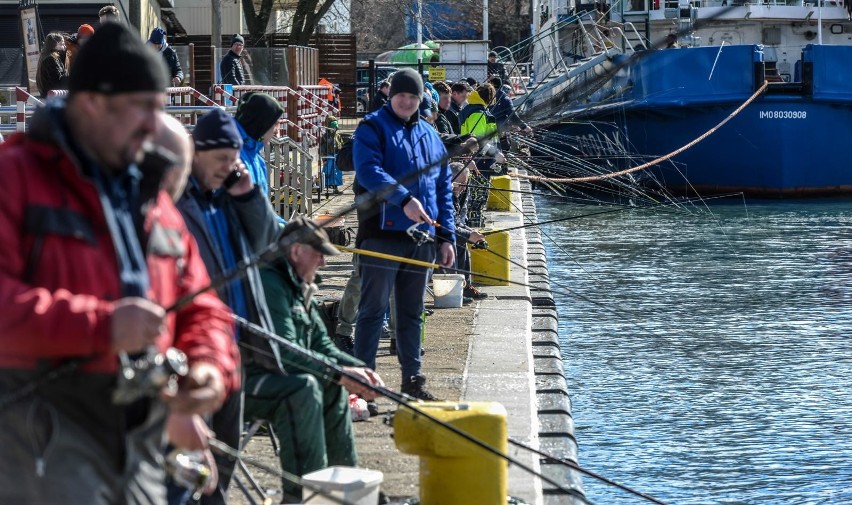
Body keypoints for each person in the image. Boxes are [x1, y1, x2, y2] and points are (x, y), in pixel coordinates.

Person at [0, 22, 240, 505]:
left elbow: (203, 307)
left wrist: (208, 366)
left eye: (161, 109)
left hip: (141, 443)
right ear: (92, 103)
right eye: (143, 109)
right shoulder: (15, 178)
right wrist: (103, 326)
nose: (155, 127)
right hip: (38, 440)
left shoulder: (154, 198)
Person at [177, 107, 280, 504]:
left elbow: (270, 244)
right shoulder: (178, 199)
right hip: (194, 350)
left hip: (234, 342)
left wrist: (249, 195)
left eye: (234, 158)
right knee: (192, 464)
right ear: (197, 153)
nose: (229, 166)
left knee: (226, 454)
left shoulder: (233, 194)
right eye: (221, 158)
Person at [257, 216, 384, 503]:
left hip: (284, 375)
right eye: (319, 255)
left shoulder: (301, 283)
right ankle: (301, 494)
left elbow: (320, 343)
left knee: (332, 387)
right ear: (296, 251)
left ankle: (345, 488)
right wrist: (340, 371)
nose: (324, 264)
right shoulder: (270, 285)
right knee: (305, 390)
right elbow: (285, 353)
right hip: (252, 379)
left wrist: (356, 370)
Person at [352, 68, 456, 401]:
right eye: (402, 96)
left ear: (421, 99)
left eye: (413, 97)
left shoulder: (431, 134)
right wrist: (404, 199)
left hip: (422, 239)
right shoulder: (371, 127)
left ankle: (413, 379)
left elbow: (443, 191)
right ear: (390, 95)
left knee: (412, 313)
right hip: (381, 234)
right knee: (372, 310)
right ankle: (364, 385)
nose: (407, 102)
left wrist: (447, 237)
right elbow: (368, 171)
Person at [233, 91, 285, 204]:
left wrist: (282, 223)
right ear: (262, 123)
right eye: (275, 123)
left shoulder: (257, 158)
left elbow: (262, 211)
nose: (277, 130)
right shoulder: (234, 157)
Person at [36, 32, 68, 97]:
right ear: (54, 44)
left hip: (49, 94)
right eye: (62, 44)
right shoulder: (51, 59)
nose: (64, 46)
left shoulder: (46, 56)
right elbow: (57, 80)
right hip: (52, 96)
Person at [319, 115, 344, 194]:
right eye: (332, 128)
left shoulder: (338, 136)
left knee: (336, 172)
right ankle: (324, 185)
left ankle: (335, 187)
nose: (333, 130)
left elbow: (341, 145)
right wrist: (324, 159)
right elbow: (322, 148)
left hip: (337, 156)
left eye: (335, 128)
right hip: (329, 156)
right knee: (327, 171)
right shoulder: (325, 137)